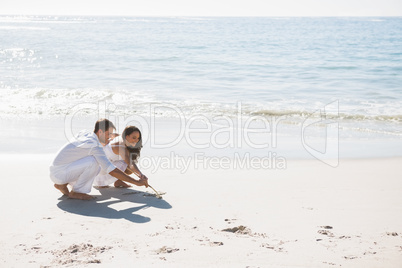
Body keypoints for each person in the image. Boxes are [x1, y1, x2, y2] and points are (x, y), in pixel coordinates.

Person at [49, 119, 148, 200]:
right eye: (108, 134)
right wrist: (136, 182)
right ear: (100, 132)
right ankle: (76, 192)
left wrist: (109, 137)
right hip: (60, 173)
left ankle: (62, 184)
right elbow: (111, 170)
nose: (110, 138)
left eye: (111, 135)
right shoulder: (95, 146)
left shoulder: (85, 133)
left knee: (89, 160)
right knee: (94, 161)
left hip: (56, 171)